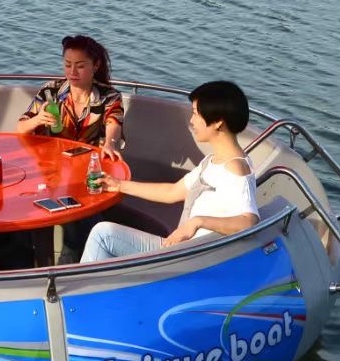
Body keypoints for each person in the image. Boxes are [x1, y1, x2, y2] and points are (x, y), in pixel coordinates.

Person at [80, 80, 259, 263]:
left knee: (103, 236)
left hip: (189, 259)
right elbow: (172, 192)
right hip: (179, 249)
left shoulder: (235, 167)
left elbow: (248, 221)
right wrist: (118, 185)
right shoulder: (212, 162)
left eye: (196, 114)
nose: (191, 120)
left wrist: (198, 221)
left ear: (218, 123)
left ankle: (75, 291)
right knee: (103, 236)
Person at [15, 35, 124, 159]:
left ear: (96, 65)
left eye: (80, 66)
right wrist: (38, 120)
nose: (73, 72)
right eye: (68, 65)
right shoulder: (50, 91)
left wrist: (110, 143)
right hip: (52, 163)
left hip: (91, 166)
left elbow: (114, 123)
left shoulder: (110, 97)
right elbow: (20, 128)